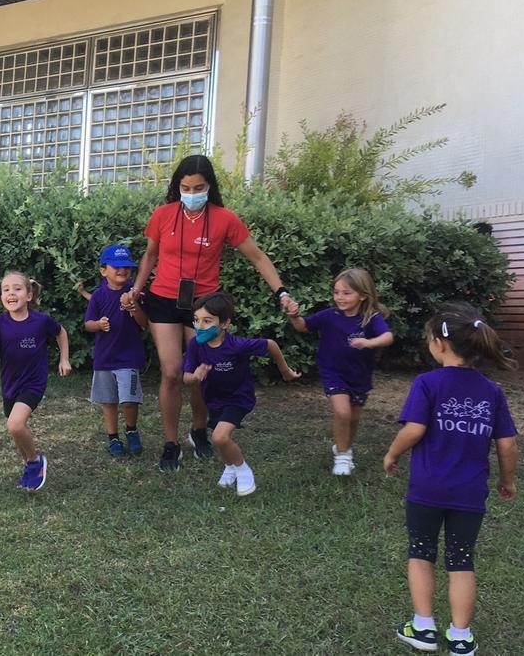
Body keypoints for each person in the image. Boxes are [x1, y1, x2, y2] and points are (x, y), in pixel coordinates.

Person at [123, 155, 296, 472]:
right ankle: (171, 444)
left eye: (198, 187)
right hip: (162, 299)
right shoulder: (163, 214)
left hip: (203, 305)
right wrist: (136, 288)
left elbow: (257, 257)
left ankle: (199, 430)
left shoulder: (224, 219)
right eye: (185, 187)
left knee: (202, 372)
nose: (191, 193)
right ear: (178, 186)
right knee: (172, 372)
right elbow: (149, 256)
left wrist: (282, 292)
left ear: (209, 187)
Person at [384, 302, 518, 655]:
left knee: (421, 553)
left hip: (426, 490)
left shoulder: (428, 383)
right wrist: (509, 481)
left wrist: (392, 453)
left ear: (439, 344)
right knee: (461, 560)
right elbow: (507, 444)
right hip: (469, 494)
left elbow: (415, 429)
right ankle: (460, 636)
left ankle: (423, 628)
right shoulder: (492, 391)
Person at [182, 293, 300, 496]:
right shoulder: (195, 345)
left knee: (220, 438)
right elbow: (186, 378)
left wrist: (285, 371)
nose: (200, 326)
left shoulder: (237, 346)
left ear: (225, 323)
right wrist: (196, 376)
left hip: (238, 398)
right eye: (196, 320)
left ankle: (243, 470)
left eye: (207, 321)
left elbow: (270, 344)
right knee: (221, 438)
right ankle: (230, 467)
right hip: (213, 399)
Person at [0, 271, 72, 492]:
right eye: (6, 290)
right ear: (1, 297)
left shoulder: (41, 321)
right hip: (10, 385)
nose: (11, 293)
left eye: (17, 288)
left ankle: (35, 462)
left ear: (29, 294)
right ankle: (30, 465)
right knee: (16, 429)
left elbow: (61, 332)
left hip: (34, 382)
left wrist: (64, 359)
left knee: (15, 424)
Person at [286, 268, 394, 475]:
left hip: (359, 375)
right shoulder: (329, 315)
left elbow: (387, 337)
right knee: (342, 412)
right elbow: (303, 326)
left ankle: (344, 448)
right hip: (333, 372)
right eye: (336, 292)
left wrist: (369, 342)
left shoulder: (371, 318)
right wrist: (294, 316)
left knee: (353, 418)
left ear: (363, 295)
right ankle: (342, 457)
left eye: (346, 293)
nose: (340, 297)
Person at [83, 244, 149, 457]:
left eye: (126, 267)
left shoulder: (135, 293)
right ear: (103, 270)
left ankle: (131, 430)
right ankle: (113, 438)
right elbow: (87, 324)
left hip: (128, 357)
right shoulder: (98, 296)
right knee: (109, 402)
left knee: (129, 401)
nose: (122, 271)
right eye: (116, 267)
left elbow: (144, 324)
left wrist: (132, 306)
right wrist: (98, 324)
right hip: (104, 358)